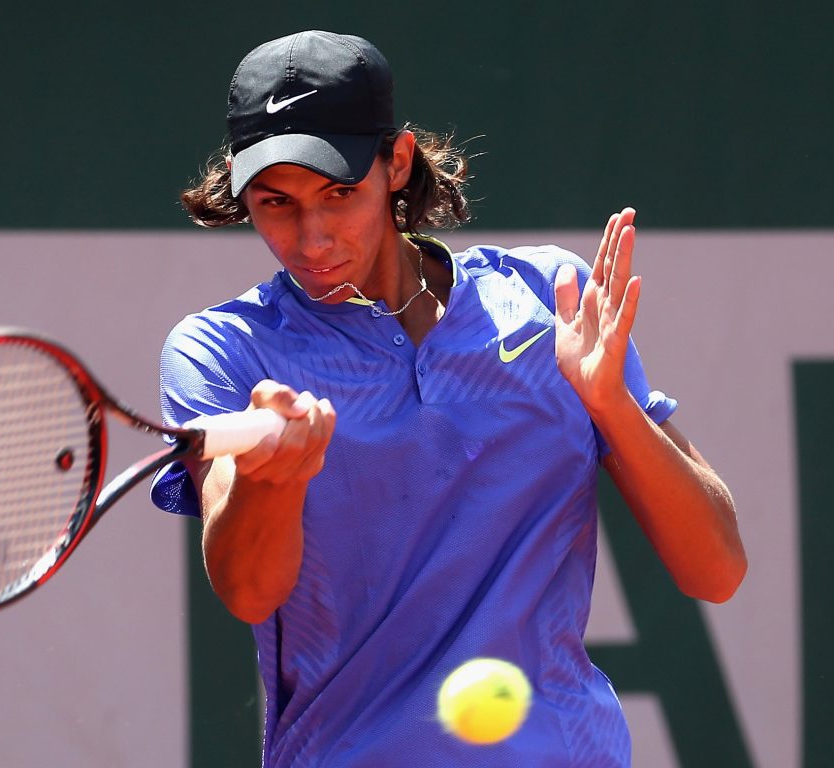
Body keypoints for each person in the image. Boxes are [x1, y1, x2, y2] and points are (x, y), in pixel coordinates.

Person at [151, 30, 746, 767]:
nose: (312, 238)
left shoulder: (547, 298)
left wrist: (612, 408)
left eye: (339, 193)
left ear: (397, 162)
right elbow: (247, 591)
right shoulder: (223, 351)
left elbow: (716, 569)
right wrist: (275, 481)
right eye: (276, 204)